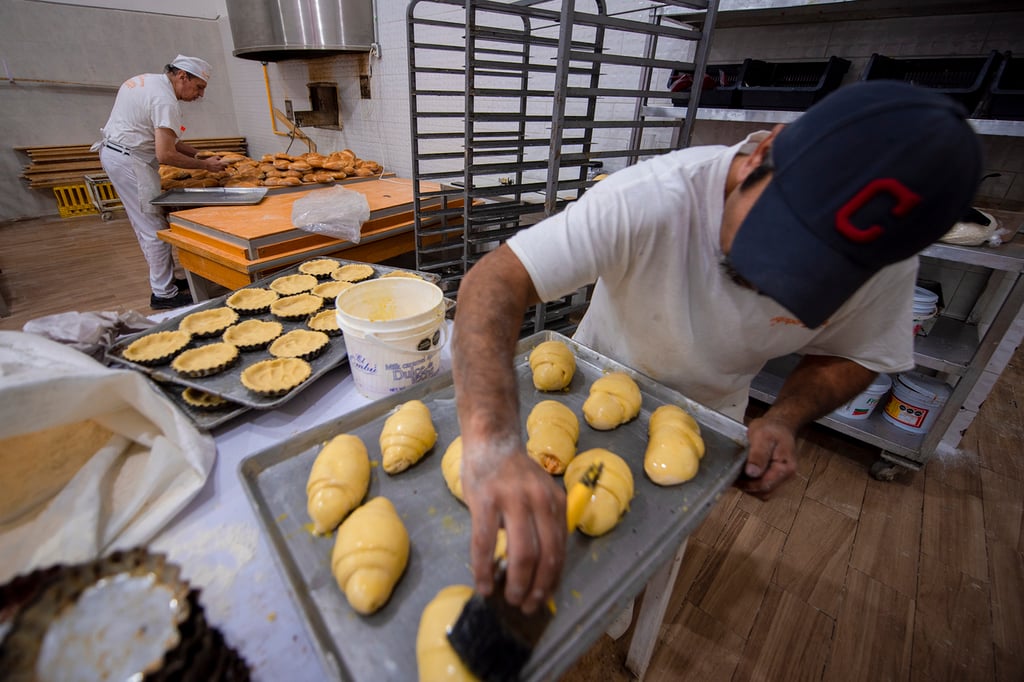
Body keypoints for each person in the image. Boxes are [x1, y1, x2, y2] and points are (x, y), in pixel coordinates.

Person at [450, 80, 983, 616]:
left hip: (713, 416)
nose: (767, 282)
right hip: (586, 383)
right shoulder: (651, 198)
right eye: (777, 239)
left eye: (810, 278)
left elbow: (859, 352)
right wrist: (490, 443)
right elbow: (494, 283)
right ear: (765, 151)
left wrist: (785, 417)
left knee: (628, 565)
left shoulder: (886, 264)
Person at [94, 55, 229, 309]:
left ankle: (166, 281)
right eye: (199, 87)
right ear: (182, 76)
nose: (199, 95)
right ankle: (163, 293)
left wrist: (198, 154)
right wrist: (205, 166)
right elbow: (165, 154)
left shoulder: (146, 81)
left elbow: (169, 140)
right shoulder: (165, 100)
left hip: (118, 154)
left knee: (146, 223)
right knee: (153, 227)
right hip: (130, 161)